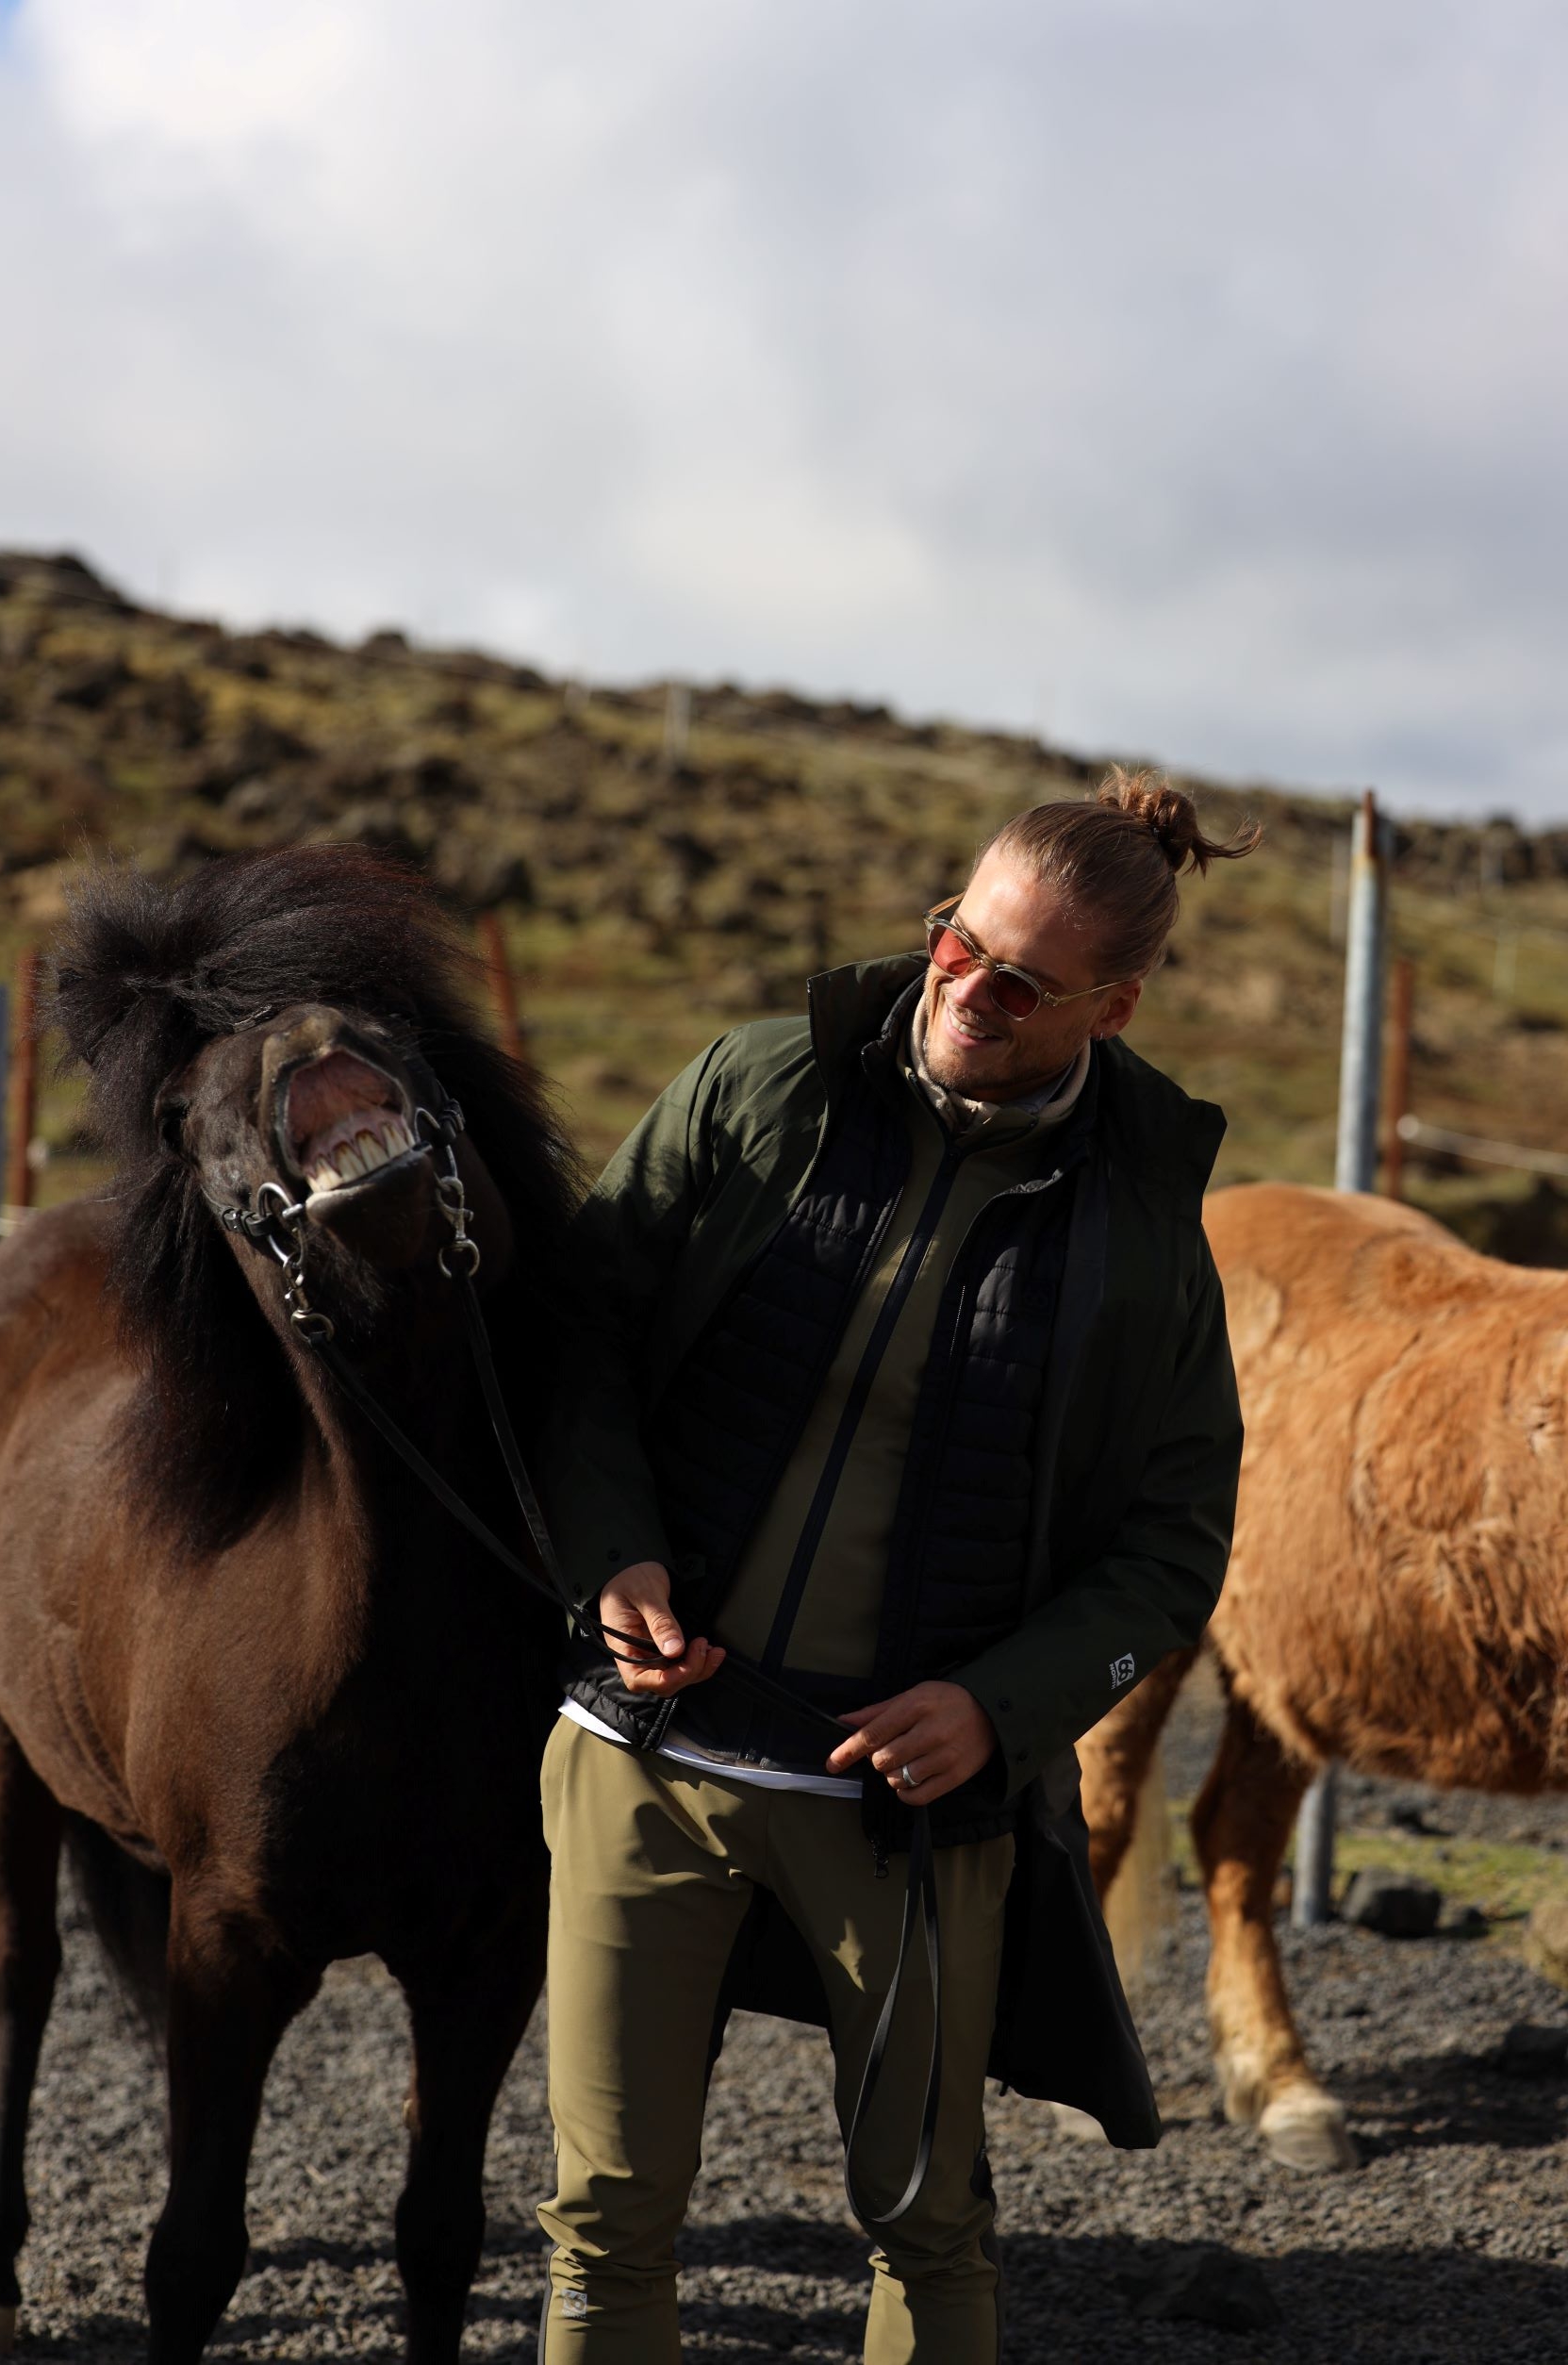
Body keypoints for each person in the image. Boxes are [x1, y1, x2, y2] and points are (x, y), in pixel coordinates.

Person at [536, 769, 1257, 2360]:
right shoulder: (758, 1083)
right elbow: (573, 1339)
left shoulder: (1146, 1241)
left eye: (1022, 981)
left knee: (930, 2233)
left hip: (912, 1816)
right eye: (956, 942)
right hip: (641, 1753)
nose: (965, 991)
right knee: (604, 2226)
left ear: (1114, 1009)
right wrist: (611, 1557)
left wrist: (1004, 1709)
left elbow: (1174, 1544)